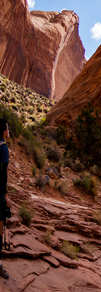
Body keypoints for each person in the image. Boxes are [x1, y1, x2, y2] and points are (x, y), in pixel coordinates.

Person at [0, 119, 9, 279]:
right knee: (0, 228)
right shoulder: (3, 149)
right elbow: (3, 175)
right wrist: (5, 196)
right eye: (7, 128)